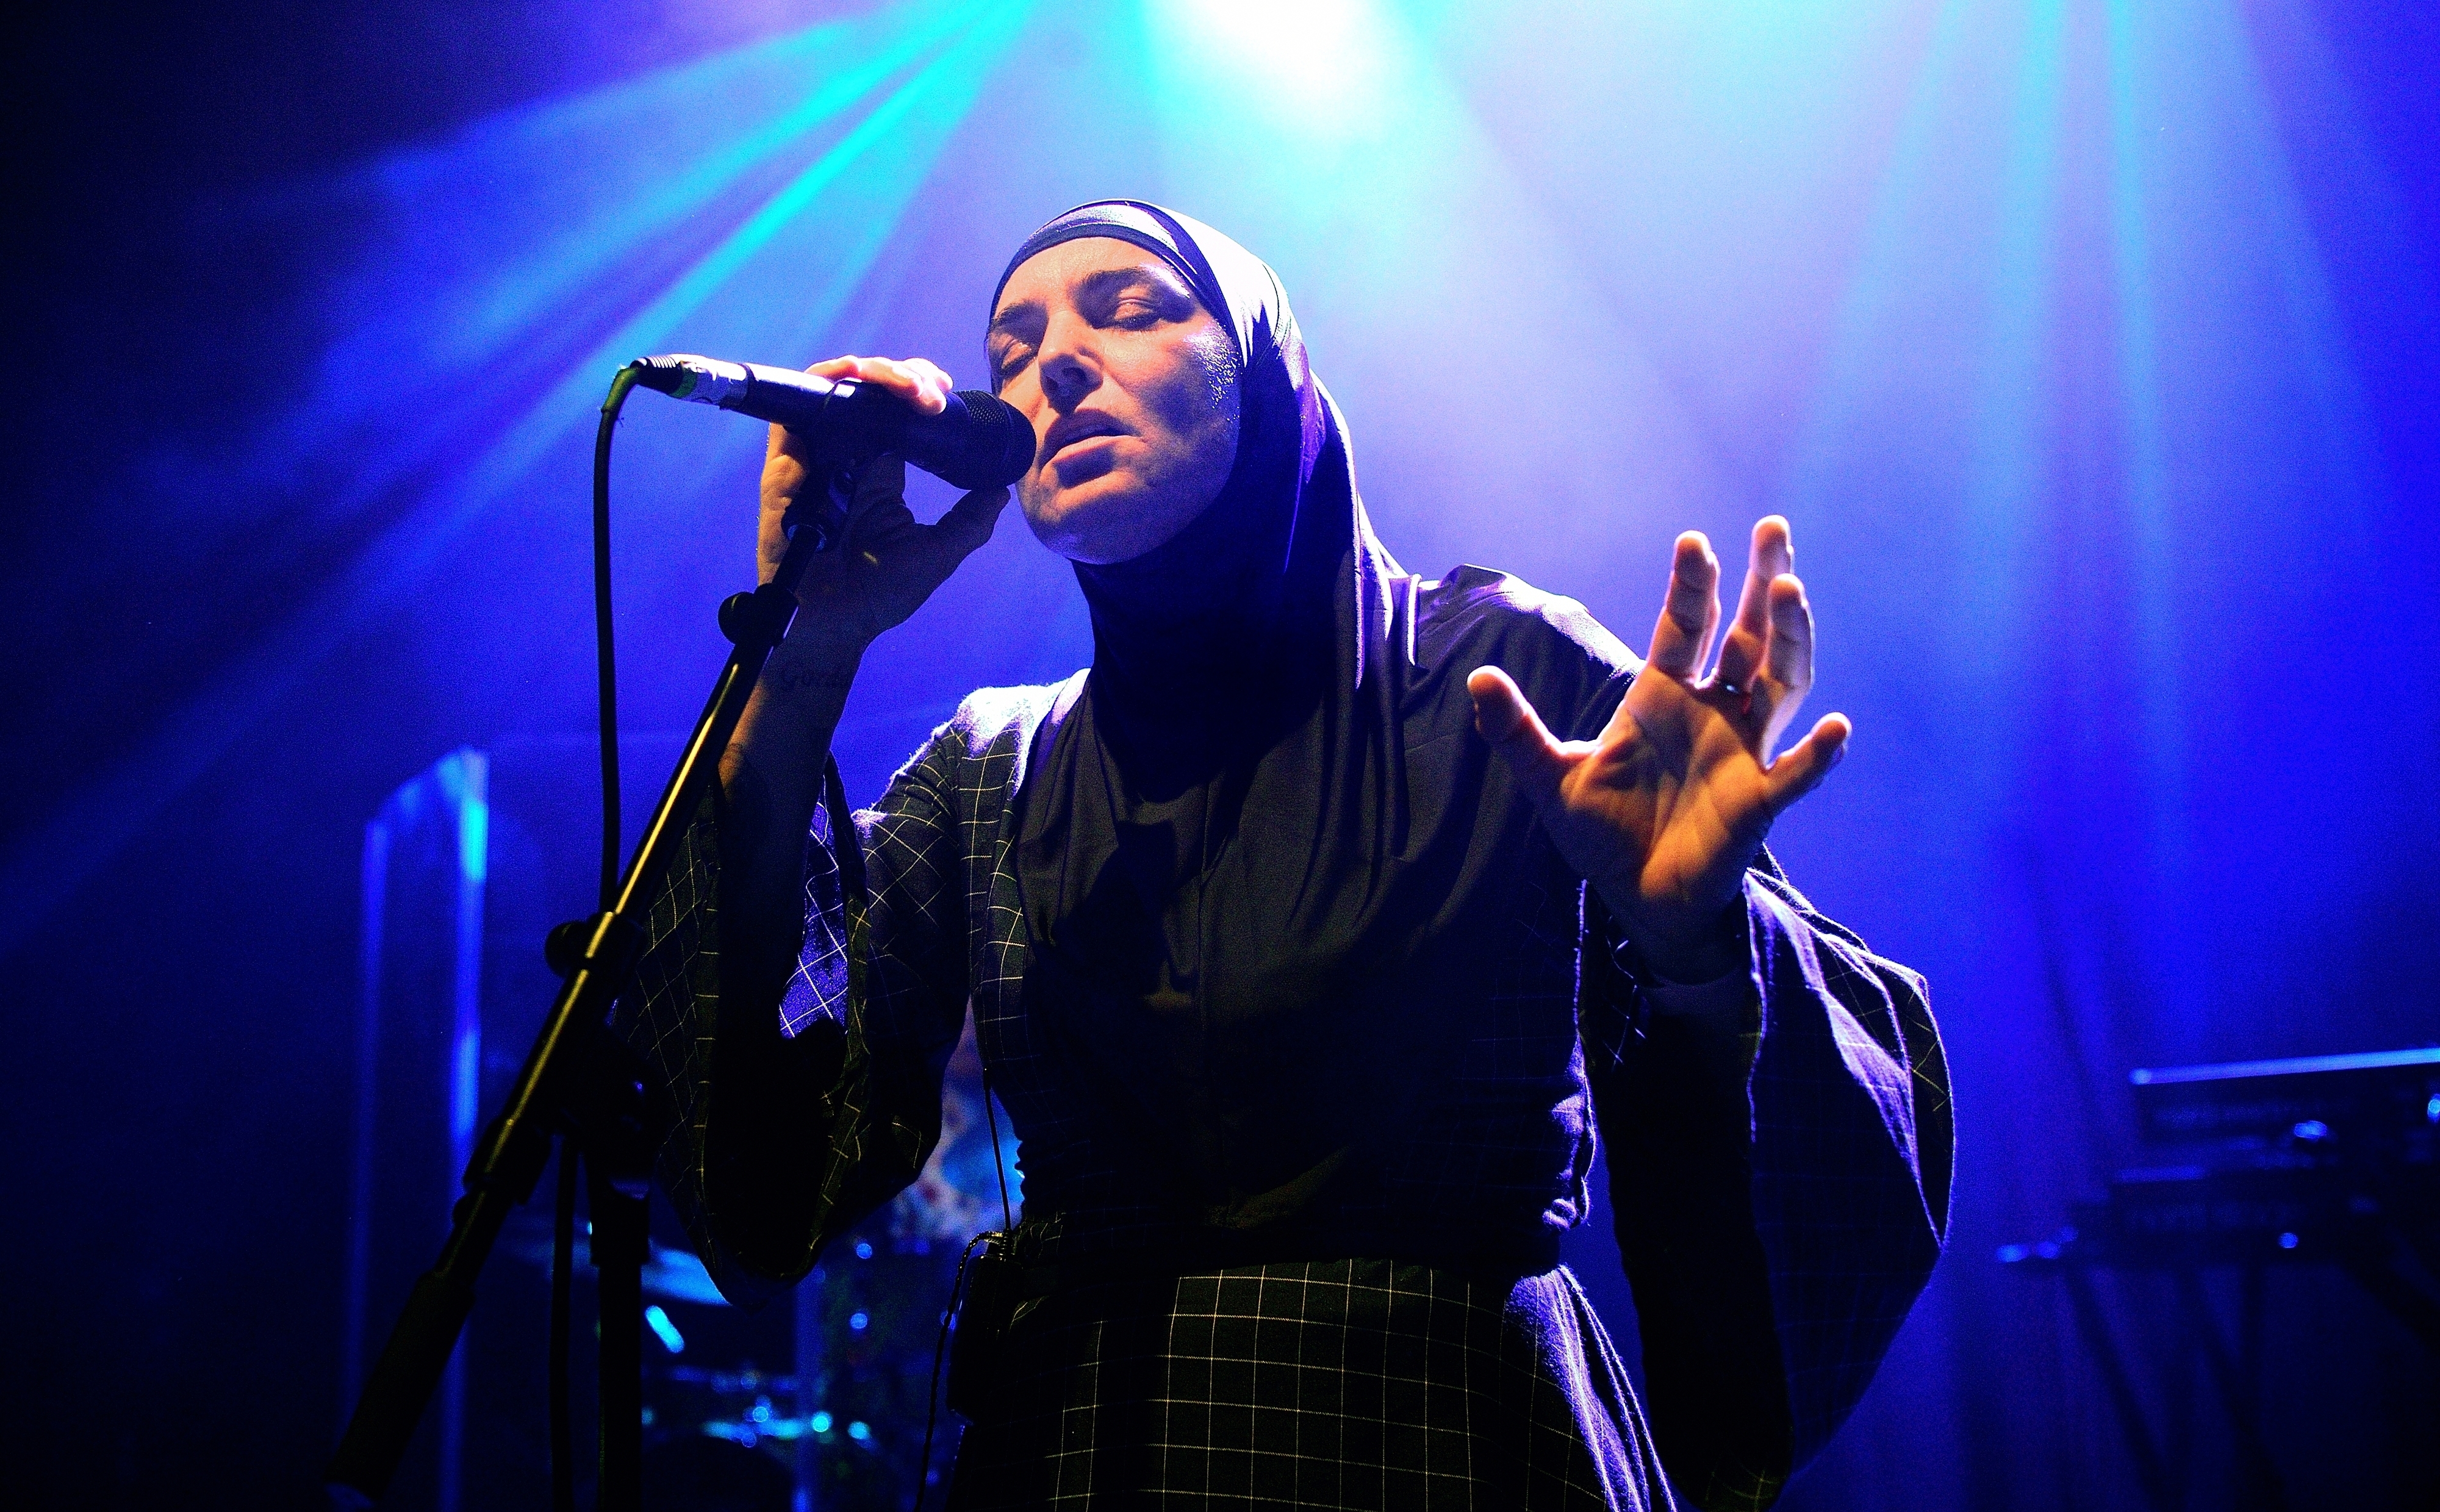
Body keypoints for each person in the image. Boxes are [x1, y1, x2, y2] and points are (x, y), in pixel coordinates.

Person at [624, 201, 1951, 1511]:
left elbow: (1823, 1158)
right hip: (1087, 1445)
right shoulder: (991, 767)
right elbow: (760, 1171)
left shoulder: (1502, 676)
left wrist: (1695, 949)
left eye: (1129, 308)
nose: (1053, 365)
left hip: (1454, 1441)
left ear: (1268, 369)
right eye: (1010, 352)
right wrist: (801, 663)